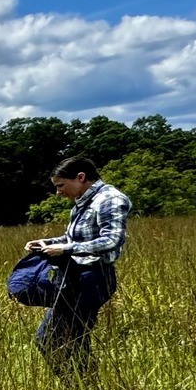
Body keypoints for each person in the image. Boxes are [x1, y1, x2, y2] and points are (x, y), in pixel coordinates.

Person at [24, 156, 129, 378]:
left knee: (68, 338)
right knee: (59, 338)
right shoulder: (83, 201)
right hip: (74, 276)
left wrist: (66, 250)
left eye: (60, 185)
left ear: (80, 177)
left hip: (94, 278)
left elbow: (112, 240)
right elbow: (71, 237)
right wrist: (48, 243)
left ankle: (84, 388)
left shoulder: (109, 199)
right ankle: (84, 387)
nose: (58, 192)